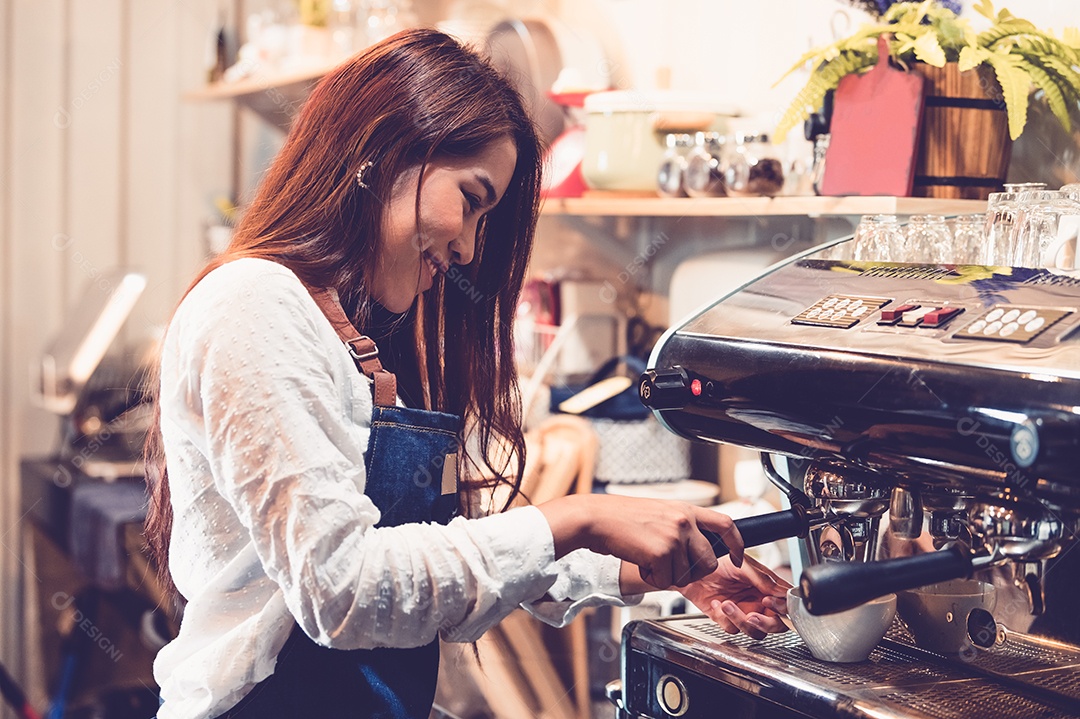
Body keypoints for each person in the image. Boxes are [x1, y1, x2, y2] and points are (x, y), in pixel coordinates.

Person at [144, 28, 789, 719]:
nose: (469, 245)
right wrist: (578, 515)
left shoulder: (354, 331)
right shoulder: (253, 302)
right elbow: (344, 590)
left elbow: (430, 556)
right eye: (472, 198)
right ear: (382, 154)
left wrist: (645, 567)